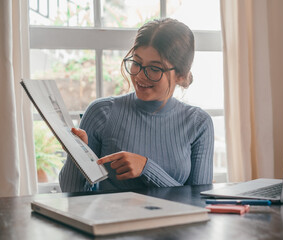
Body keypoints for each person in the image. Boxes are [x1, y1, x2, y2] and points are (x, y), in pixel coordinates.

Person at [59, 18, 214, 192]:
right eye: (137, 63)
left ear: (180, 74)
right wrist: (76, 157)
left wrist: (147, 168)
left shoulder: (199, 123)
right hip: (112, 218)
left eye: (155, 69)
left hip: (176, 220)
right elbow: (71, 193)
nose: (140, 76)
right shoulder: (101, 112)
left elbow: (199, 200)